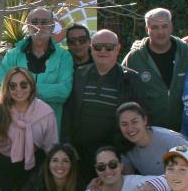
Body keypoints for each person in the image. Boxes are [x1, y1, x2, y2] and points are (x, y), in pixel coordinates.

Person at [62, 29, 144, 180]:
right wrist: (68, 145)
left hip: (113, 157)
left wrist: (122, 150)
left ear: (118, 48)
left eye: (109, 47)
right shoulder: (79, 75)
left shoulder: (131, 79)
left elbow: (139, 116)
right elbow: (68, 112)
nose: (103, 51)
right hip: (80, 154)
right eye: (98, 47)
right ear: (91, 48)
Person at [0, 7, 73, 129]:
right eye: (35, 22)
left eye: (44, 22)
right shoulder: (12, 55)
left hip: (49, 131)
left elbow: (64, 91)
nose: (39, 26)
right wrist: (44, 90)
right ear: (27, 25)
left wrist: (24, 90)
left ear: (52, 26)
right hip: (16, 129)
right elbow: (0, 88)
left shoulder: (64, 57)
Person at [121, 8, 188, 132]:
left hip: (184, 132)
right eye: (154, 27)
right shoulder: (134, 58)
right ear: (146, 30)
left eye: (164, 26)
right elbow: (122, 89)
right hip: (148, 133)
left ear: (171, 27)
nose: (161, 32)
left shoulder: (187, 53)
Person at [118, 102, 188, 176]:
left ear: (145, 120)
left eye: (134, 122)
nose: (130, 128)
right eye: (124, 124)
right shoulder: (126, 148)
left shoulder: (169, 139)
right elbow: (129, 178)